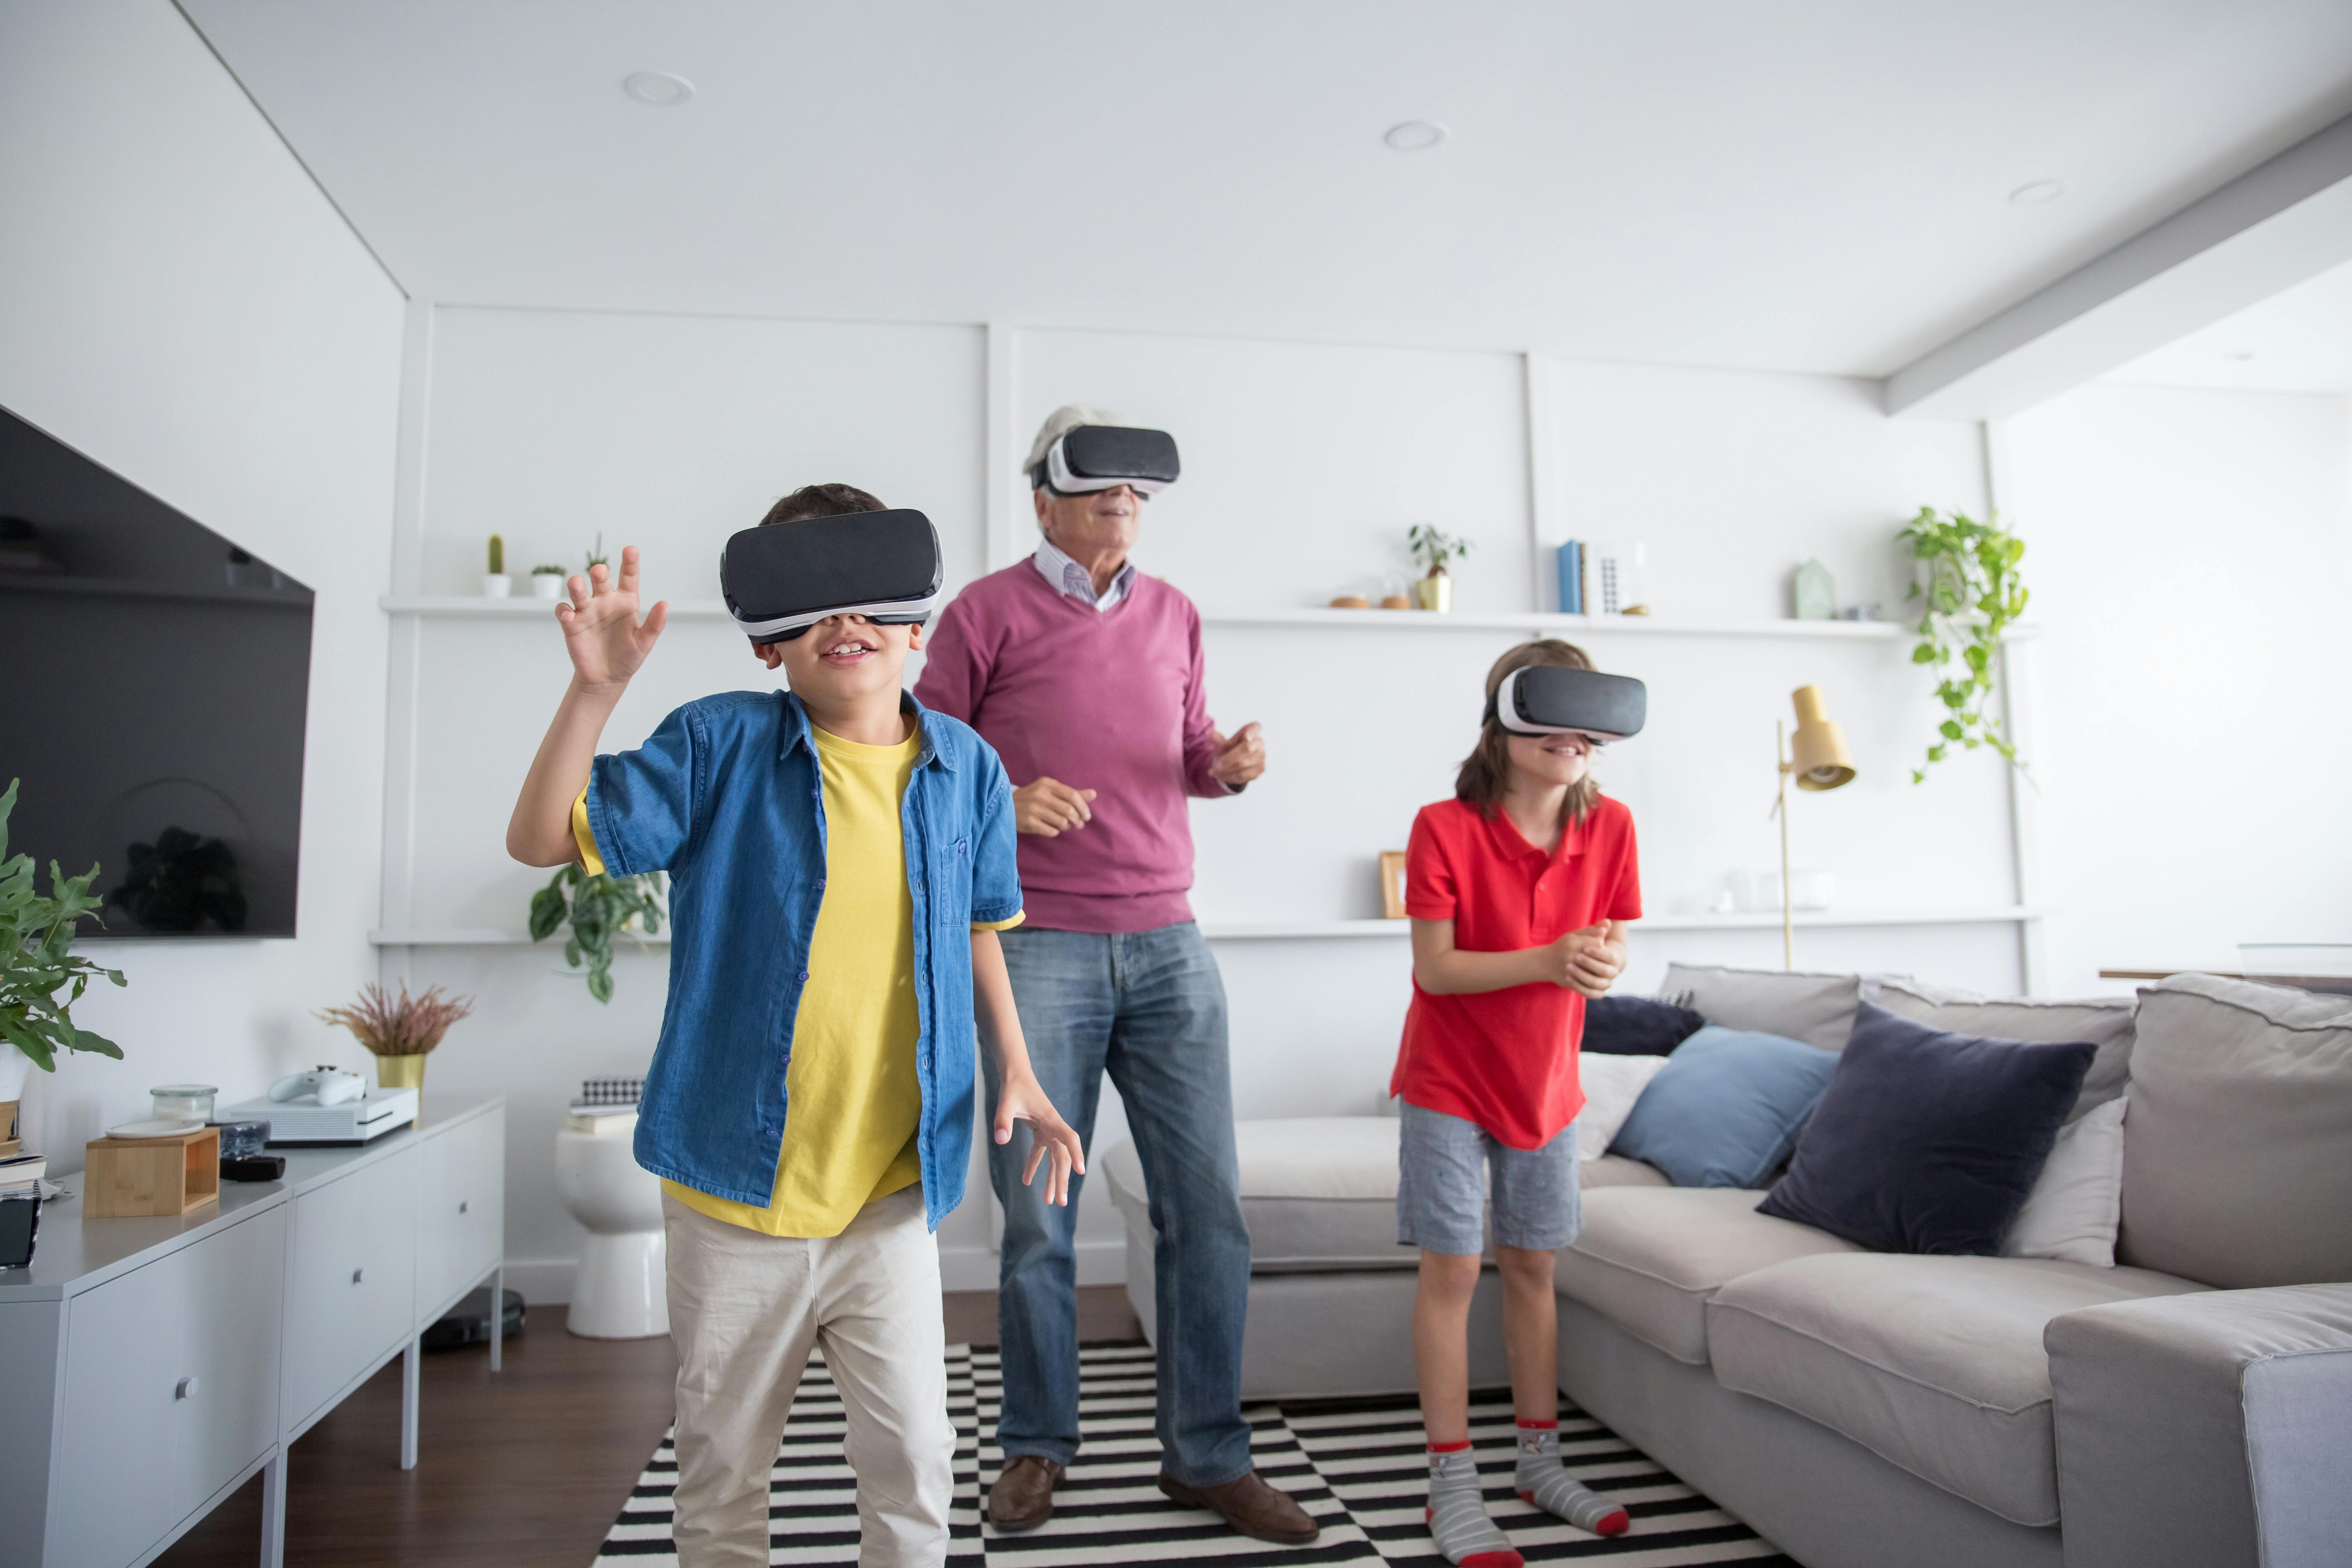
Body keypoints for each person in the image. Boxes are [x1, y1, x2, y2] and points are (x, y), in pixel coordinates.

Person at [506, 485, 1085, 1568]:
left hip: (888, 1198)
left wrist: (1020, 1069)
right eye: (810, 604)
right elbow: (541, 840)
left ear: (917, 626)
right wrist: (596, 693)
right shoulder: (722, 743)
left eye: (871, 597)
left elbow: (976, 928)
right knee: (726, 1468)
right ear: (772, 647)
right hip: (736, 1196)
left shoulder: (971, 770)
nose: (844, 621)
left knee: (916, 1458)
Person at [913, 408, 1314, 1545]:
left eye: (1137, 492)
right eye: (1098, 489)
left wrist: (1224, 768)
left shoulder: (1177, 613)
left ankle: (1205, 1458)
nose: (1122, 505)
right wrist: (1007, 796)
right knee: (1040, 1222)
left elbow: (1186, 749)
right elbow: (920, 755)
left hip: (1171, 945)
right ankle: (1037, 1449)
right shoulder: (985, 612)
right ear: (1043, 499)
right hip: (1035, 943)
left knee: (1207, 1211)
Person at [1394, 639, 1641, 1568]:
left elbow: (1607, 949)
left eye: (1592, 719)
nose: (1574, 737)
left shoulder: (1612, 826)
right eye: (1554, 711)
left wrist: (1600, 964)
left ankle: (1539, 1463)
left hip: (1550, 1085)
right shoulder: (1442, 826)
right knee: (1454, 1272)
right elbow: (1437, 969)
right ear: (1508, 716)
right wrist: (1548, 958)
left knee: (1534, 1270)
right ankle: (1450, 1485)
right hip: (1450, 1081)